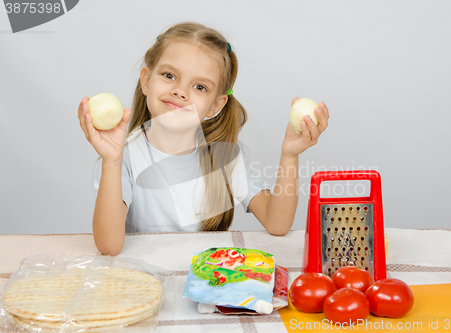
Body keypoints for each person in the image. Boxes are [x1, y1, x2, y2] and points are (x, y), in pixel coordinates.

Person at [78, 22, 329, 255]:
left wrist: (290, 155)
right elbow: (109, 247)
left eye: (200, 87)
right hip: (146, 284)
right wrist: (111, 161)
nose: (180, 91)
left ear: (215, 105)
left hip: (208, 283)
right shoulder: (124, 157)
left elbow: (278, 224)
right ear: (146, 80)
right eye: (169, 75)